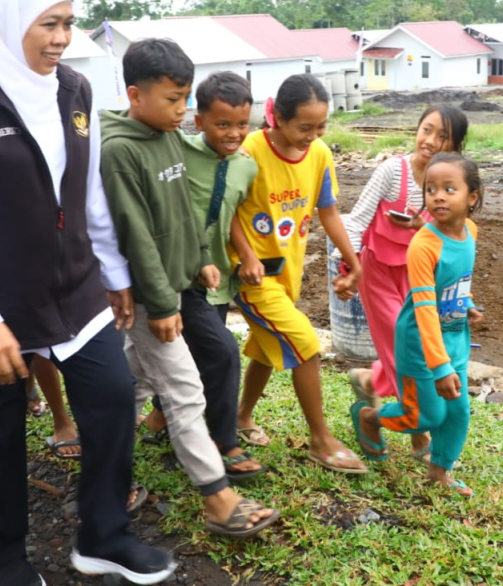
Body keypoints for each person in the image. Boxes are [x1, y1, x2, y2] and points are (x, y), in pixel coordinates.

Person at [0, 0, 175, 585]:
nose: (62, 38)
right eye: (48, 24)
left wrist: (115, 272)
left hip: (72, 288)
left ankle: (104, 535)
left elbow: (89, 191)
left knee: (111, 400)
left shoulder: (75, 89)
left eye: (68, 23)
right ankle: (4, 557)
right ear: (8, 21)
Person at [100, 39, 279, 538]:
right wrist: (161, 304)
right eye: (173, 99)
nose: (182, 110)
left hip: (178, 285)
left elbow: (184, 208)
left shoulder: (166, 136)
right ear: (135, 95)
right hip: (149, 296)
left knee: (133, 384)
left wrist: (201, 257)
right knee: (184, 389)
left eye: (185, 99)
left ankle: (105, 471)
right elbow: (135, 233)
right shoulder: (120, 151)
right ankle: (218, 497)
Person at [230, 74, 366, 474]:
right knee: (305, 342)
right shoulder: (250, 151)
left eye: (321, 126)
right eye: (305, 127)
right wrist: (246, 256)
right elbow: (225, 210)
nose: (313, 136)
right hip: (251, 278)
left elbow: (329, 211)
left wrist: (353, 260)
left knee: (266, 347)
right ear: (278, 118)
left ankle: (241, 416)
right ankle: (320, 439)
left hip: (286, 274)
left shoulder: (319, 154)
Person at [139, 71, 267, 484]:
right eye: (222, 124)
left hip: (219, 280)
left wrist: (248, 256)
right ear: (200, 121)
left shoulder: (245, 167)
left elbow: (231, 216)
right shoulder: (178, 152)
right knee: (223, 352)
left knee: (196, 355)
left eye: (242, 124)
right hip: (181, 276)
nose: (234, 133)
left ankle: (163, 418)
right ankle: (224, 441)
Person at [350, 154, 484, 498]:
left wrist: (466, 303)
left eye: (449, 189)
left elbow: (456, 279)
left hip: (454, 339)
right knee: (424, 416)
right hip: (418, 344)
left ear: (472, 197)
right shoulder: (423, 244)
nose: (438, 196)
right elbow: (424, 307)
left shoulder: (470, 231)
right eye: (431, 189)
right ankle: (369, 417)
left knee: (457, 412)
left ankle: (439, 473)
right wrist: (439, 367)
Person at [342, 105, 468, 462]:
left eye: (442, 136)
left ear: (455, 145)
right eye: (426, 129)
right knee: (406, 352)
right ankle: (418, 433)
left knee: (417, 350)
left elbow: (451, 237)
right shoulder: (392, 171)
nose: (430, 141)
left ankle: (369, 381)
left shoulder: (449, 181)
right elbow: (356, 220)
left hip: (419, 278)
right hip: (377, 271)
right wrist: (349, 266)